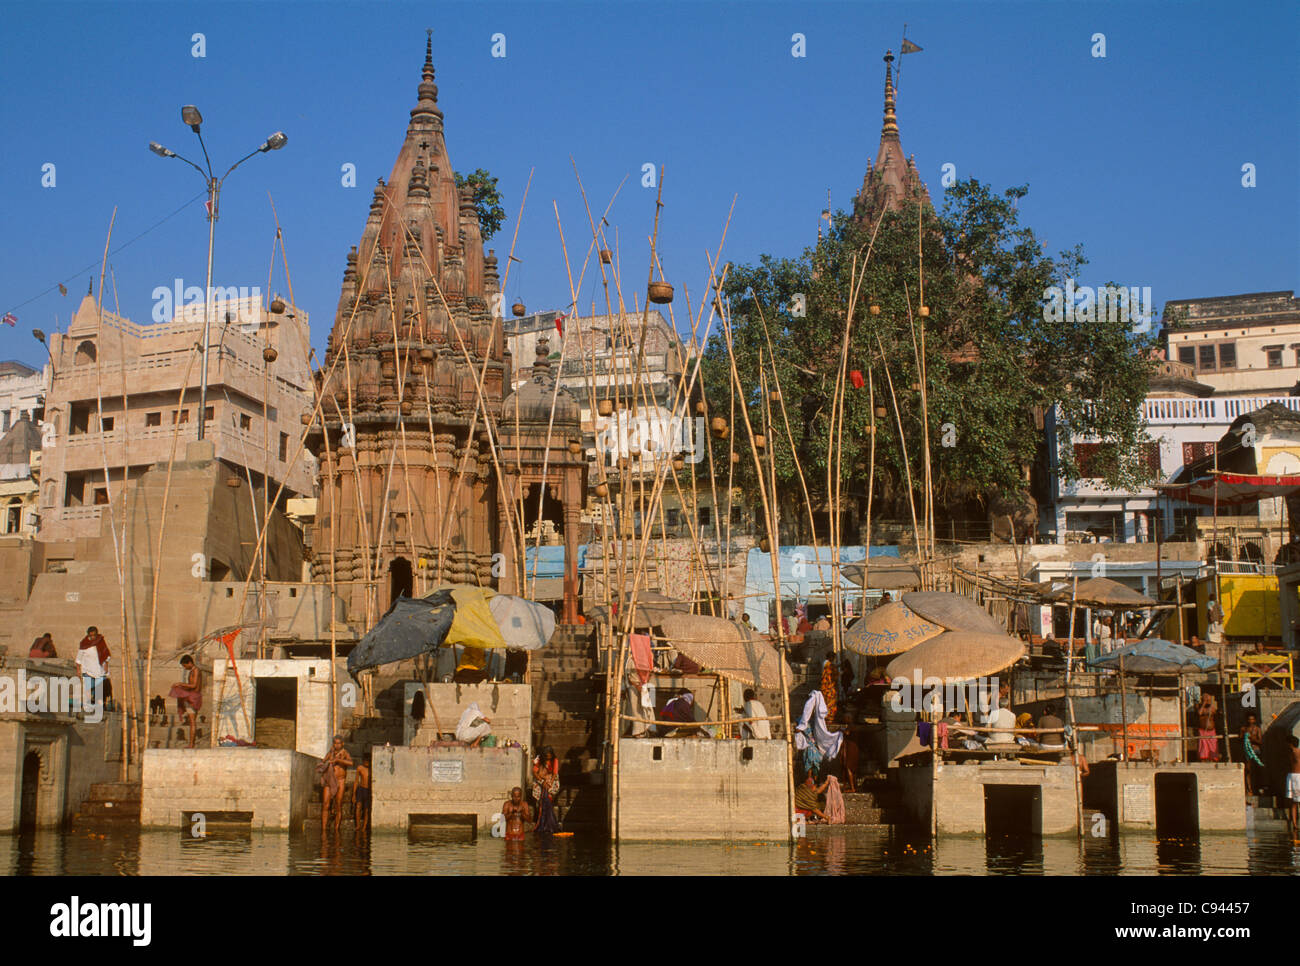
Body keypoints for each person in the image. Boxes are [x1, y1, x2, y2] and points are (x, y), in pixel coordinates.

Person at [318, 735, 353, 832]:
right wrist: (325, 763)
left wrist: (338, 760)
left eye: (338, 743)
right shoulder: (330, 753)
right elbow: (322, 762)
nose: (336, 745)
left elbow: (351, 763)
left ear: (342, 744)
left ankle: (336, 829)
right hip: (330, 781)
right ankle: (324, 829)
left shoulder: (345, 753)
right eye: (335, 743)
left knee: (338, 804)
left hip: (340, 781)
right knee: (325, 804)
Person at [167, 655, 202, 748]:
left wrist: (180, 684)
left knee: (192, 721)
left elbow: (194, 685)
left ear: (189, 663)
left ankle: (191, 744)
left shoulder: (196, 670)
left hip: (194, 697)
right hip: (193, 696)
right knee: (192, 721)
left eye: (185, 665)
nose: (184, 668)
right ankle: (191, 744)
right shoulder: (192, 671)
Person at [76, 626, 112, 710]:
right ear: (88, 635)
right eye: (90, 635)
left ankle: (99, 707)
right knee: (88, 689)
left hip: (99, 670)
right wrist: (78, 670)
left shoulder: (100, 642)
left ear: (96, 634)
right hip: (87, 670)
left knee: (99, 689)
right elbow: (78, 659)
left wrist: (106, 664)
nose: (92, 637)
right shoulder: (84, 644)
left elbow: (106, 654)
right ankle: (88, 707)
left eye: (94, 635)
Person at [533, 747, 561, 834]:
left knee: (547, 797)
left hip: (551, 780)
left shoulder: (555, 760)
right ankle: (542, 821)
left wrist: (549, 783)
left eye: (550, 756)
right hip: (540, 779)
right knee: (542, 797)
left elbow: (555, 774)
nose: (548, 757)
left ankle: (548, 822)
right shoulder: (539, 760)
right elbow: (535, 773)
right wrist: (542, 781)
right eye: (546, 756)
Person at [1241, 713, 1265, 796]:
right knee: (1248, 770)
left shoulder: (1257, 729)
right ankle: (1249, 789)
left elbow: (1260, 741)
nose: (1250, 721)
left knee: (1256, 771)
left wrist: (1252, 738)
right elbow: (1239, 739)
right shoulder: (1244, 729)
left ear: (1254, 720)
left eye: (1252, 719)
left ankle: (1257, 789)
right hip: (1247, 752)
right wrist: (1244, 736)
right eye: (1249, 719)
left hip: (1256, 751)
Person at [1197, 694, 1220, 762]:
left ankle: (1213, 760)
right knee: (1203, 749)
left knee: (1213, 747)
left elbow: (1216, 713)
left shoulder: (1212, 708)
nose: (1207, 701)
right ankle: (1203, 760)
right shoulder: (1198, 706)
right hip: (1203, 731)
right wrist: (1204, 703)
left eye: (1208, 700)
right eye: (1206, 699)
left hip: (1211, 731)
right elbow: (1199, 713)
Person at [1287, 734, 1300, 837]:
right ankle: (1295, 824)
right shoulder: (1292, 753)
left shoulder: (1294, 752)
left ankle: (1295, 823)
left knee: (1294, 802)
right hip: (1294, 776)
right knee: (1294, 802)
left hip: (1295, 777)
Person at [353, 755, 371, 829]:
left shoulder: (371, 769)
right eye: (365, 762)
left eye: (367, 762)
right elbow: (356, 781)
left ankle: (364, 827)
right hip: (361, 789)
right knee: (358, 807)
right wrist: (353, 794)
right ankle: (357, 826)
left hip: (368, 790)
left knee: (366, 809)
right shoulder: (360, 768)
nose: (366, 763)